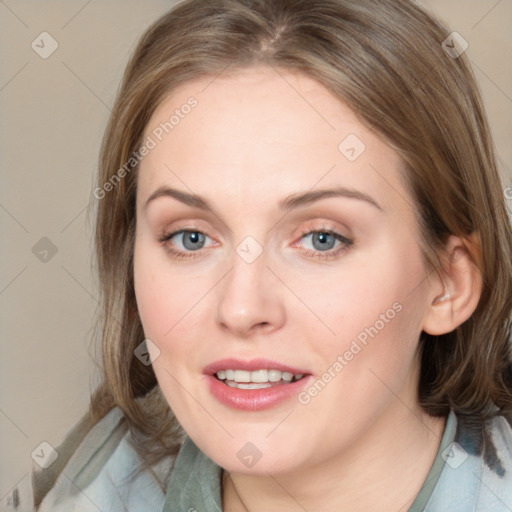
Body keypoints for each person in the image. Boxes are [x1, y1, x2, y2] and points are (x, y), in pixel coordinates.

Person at [5, 0, 512, 510]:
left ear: (450, 282)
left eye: (322, 239)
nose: (242, 309)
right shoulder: (77, 488)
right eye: (191, 238)